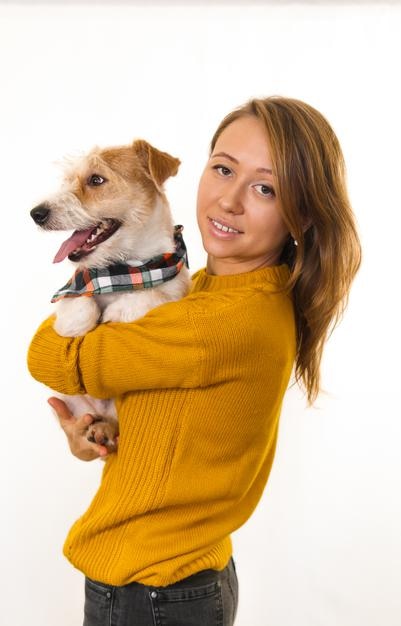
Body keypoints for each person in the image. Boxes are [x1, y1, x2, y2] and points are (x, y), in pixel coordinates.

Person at [27, 96, 361, 626]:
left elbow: (47, 356)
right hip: (180, 579)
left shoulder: (217, 322)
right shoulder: (207, 292)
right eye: (224, 169)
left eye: (265, 188)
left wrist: (83, 311)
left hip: (151, 589)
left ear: (301, 214)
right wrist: (100, 432)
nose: (229, 201)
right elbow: (169, 435)